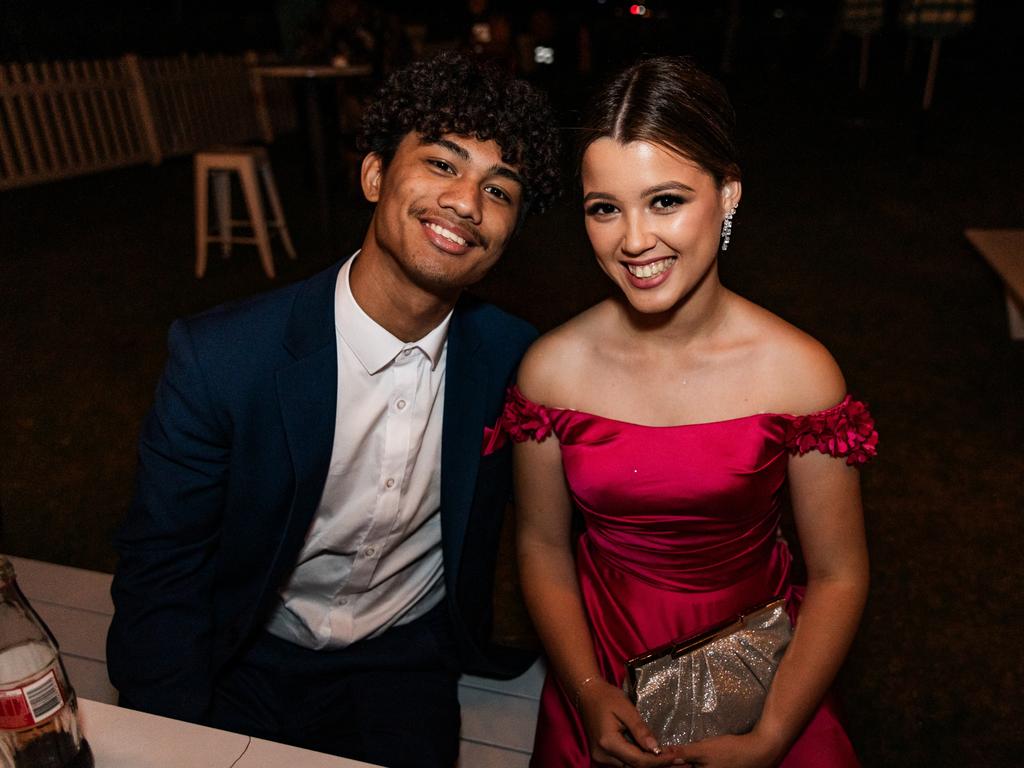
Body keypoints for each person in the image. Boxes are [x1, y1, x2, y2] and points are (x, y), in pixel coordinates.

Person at [106, 51, 560, 768]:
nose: (468, 204)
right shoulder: (223, 360)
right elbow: (162, 571)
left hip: (405, 659)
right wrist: (168, 737)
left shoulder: (520, 364)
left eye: (499, 190)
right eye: (443, 165)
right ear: (375, 173)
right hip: (248, 646)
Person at [501, 57, 877, 767]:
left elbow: (838, 576)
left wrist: (768, 737)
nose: (634, 240)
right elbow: (542, 547)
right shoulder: (553, 370)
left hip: (761, 679)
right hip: (603, 661)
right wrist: (587, 691)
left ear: (728, 194)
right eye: (604, 208)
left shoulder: (799, 373)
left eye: (666, 200)